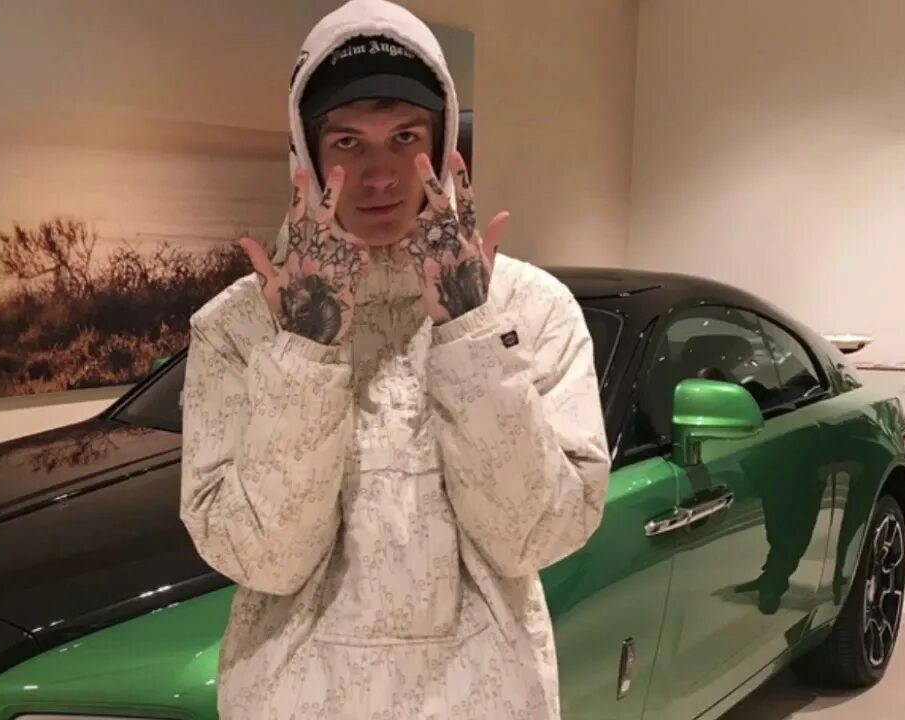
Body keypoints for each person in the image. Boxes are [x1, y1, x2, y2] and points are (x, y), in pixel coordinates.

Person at [179, 0, 611, 717]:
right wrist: (305, 348)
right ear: (306, 155)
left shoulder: (532, 311)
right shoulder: (237, 328)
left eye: (405, 136)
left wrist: (472, 331)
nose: (378, 175)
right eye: (348, 142)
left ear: (443, 148)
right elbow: (260, 558)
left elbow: (538, 535)